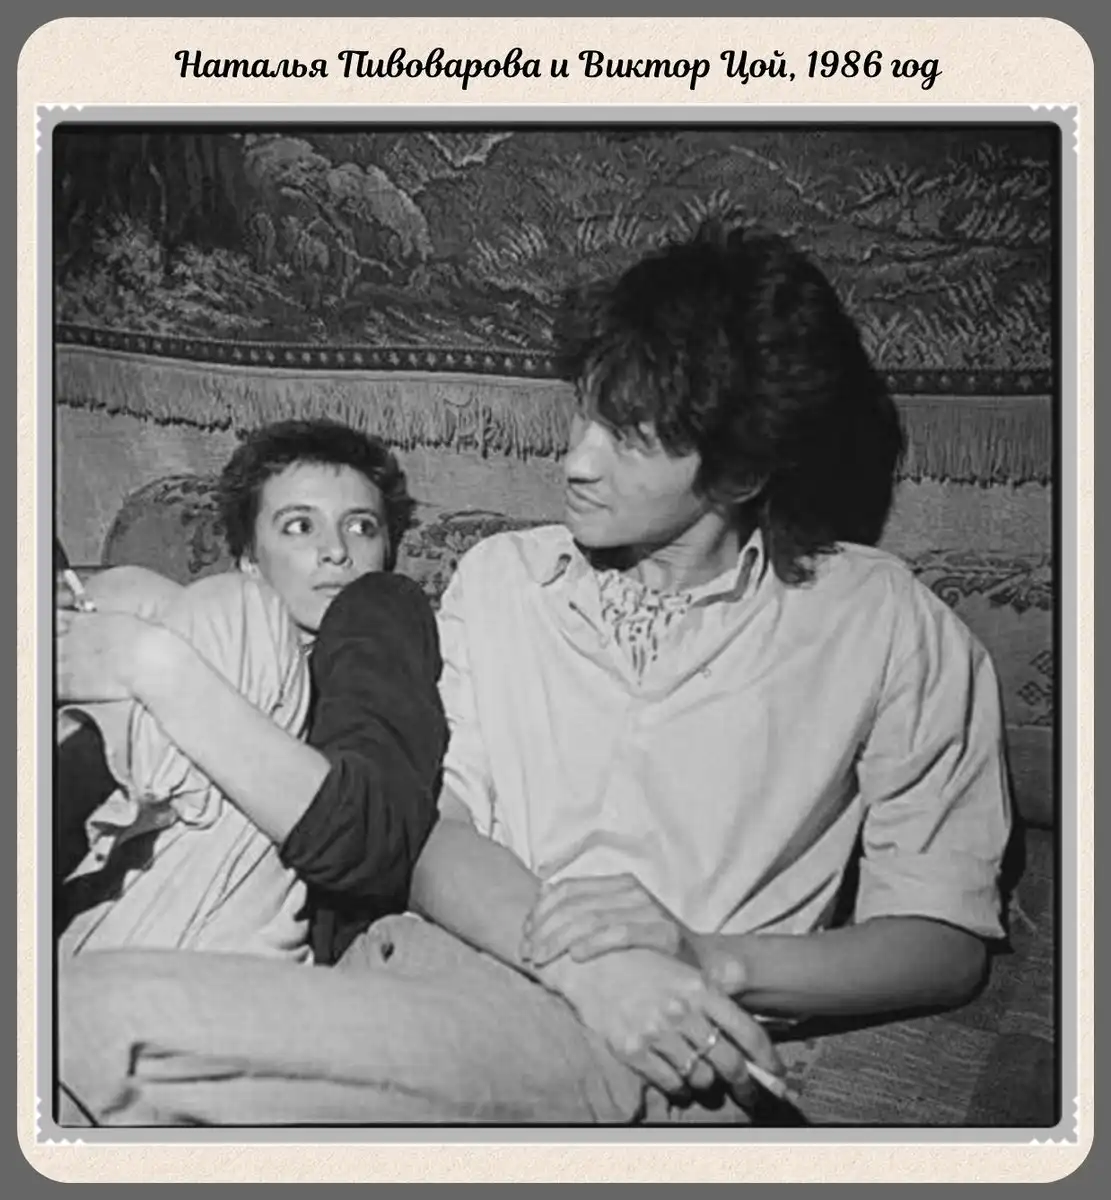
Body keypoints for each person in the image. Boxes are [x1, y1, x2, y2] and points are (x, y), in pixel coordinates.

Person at [56, 223, 1012, 1126]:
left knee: (87, 1024)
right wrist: (578, 961)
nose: (576, 461)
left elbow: (941, 942)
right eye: (584, 412)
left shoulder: (884, 624)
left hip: (626, 1043)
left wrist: (705, 960)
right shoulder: (505, 577)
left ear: (739, 472)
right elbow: (434, 834)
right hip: (421, 969)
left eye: (628, 437)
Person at [55, 419, 447, 964]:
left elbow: (367, 837)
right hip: (103, 907)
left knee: (232, 607)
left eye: (361, 527)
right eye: (299, 526)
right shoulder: (200, 613)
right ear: (249, 557)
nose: (336, 551)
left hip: (242, 931)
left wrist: (147, 660)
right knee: (129, 590)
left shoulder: (379, 607)